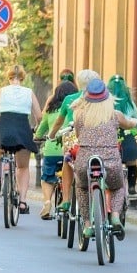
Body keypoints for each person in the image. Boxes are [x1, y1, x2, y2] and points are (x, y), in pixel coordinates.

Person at [70, 78, 137, 239]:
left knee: (81, 187)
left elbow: (79, 136)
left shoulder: (79, 115)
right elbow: (129, 124)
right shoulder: (115, 115)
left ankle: (87, 225)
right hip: (110, 160)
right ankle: (115, 215)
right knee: (117, 186)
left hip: (85, 160)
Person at [0, 65, 42, 214]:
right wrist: (36, 128)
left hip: (3, 126)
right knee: (22, 167)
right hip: (22, 128)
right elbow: (39, 116)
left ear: (9, 77)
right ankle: (23, 202)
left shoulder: (0, 92)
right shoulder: (29, 93)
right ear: (22, 78)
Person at [47, 69, 101, 211]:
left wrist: (51, 135)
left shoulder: (70, 99)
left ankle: (66, 200)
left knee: (67, 160)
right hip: (97, 137)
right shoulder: (102, 99)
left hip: (74, 136)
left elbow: (59, 122)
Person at [35, 80, 78, 219]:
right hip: (70, 149)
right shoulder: (76, 107)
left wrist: (38, 137)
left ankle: (47, 201)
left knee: (47, 177)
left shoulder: (50, 110)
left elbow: (41, 130)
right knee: (72, 177)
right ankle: (69, 199)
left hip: (52, 151)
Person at [108, 74, 137, 207]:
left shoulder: (106, 101)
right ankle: (131, 187)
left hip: (111, 136)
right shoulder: (130, 103)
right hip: (127, 135)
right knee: (132, 163)